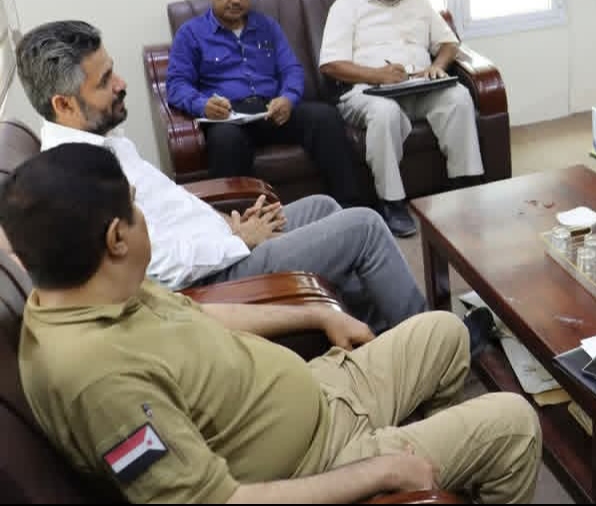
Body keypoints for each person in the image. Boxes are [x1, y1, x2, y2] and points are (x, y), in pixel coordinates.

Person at [3, 143, 541, 504]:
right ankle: (415, 474)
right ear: (117, 238)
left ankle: (436, 474)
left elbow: (200, 312)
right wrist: (380, 472)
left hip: (322, 396)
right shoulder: (98, 380)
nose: (145, 220)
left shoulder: (87, 283)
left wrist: (315, 313)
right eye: (137, 209)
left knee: (445, 333)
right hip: (315, 465)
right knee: (514, 424)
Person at [14, 19, 430, 336]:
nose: (121, 85)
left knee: (323, 206)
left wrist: (225, 224)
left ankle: (377, 328)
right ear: (65, 105)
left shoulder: (103, 140)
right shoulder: (79, 180)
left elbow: (168, 209)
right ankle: (429, 335)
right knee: (364, 226)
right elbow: (156, 268)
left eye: (113, 71)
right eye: (105, 81)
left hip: (221, 243)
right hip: (215, 279)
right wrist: (237, 241)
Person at [167, 0, 365, 207]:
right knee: (225, 141)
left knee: (324, 117)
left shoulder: (266, 26)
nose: (236, 0)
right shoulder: (191, 33)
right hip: (229, 118)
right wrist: (202, 105)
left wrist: (288, 98)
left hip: (271, 111)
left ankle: (350, 207)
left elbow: (292, 69)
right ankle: (241, 223)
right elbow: (176, 85)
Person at [319, 0, 484, 238]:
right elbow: (330, 65)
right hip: (366, 92)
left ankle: (465, 189)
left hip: (418, 87)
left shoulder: (418, 1)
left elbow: (449, 43)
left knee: (459, 97)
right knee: (384, 113)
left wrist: (438, 66)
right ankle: (392, 203)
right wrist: (377, 75)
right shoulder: (346, 5)